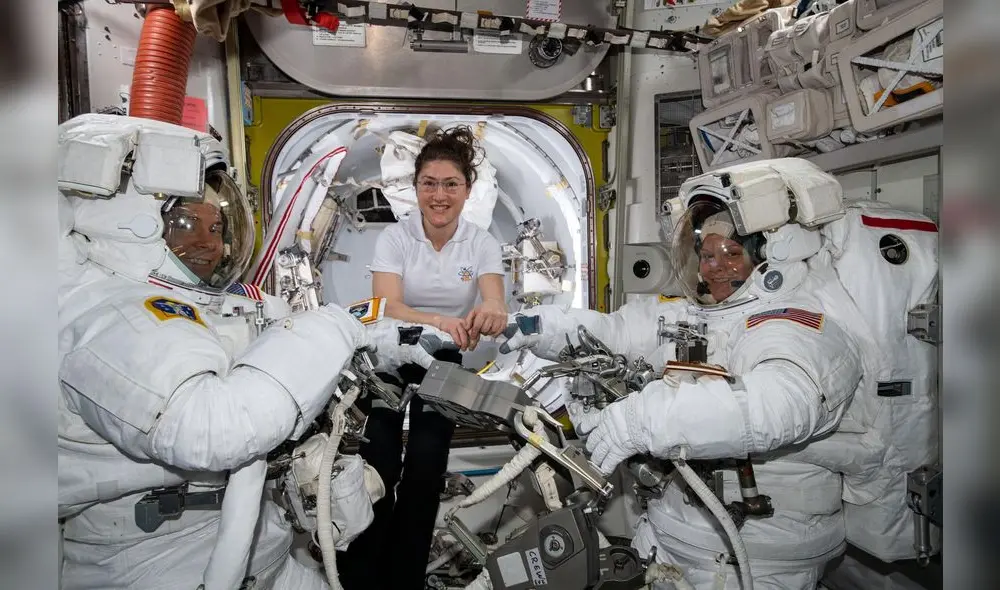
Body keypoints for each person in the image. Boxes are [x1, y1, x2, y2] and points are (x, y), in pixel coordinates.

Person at [57, 114, 442, 590]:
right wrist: (339, 326)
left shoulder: (222, 307)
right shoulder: (102, 317)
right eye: (183, 223)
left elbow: (285, 353)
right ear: (125, 224)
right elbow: (214, 429)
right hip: (156, 563)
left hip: (261, 547)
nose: (209, 243)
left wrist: (378, 341)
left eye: (217, 226)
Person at [501, 159, 890, 588]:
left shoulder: (800, 323)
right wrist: (539, 326)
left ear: (773, 256)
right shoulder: (699, 314)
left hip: (755, 560)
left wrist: (644, 419)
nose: (712, 268)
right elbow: (618, 331)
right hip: (670, 537)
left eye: (731, 254)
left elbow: (781, 405)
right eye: (705, 255)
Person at [339, 126, 508, 590]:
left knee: (426, 466)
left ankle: (405, 577)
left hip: (444, 357)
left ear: (467, 190)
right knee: (380, 463)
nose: (439, 194)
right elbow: (387, 306)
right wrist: (440, 318)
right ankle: (362, 573)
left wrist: (491, 311)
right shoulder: (395, 238)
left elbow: (494, 298)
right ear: (415, 188)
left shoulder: (482, 243)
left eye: (450, 184)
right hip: (393, 352)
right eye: (429, 183)